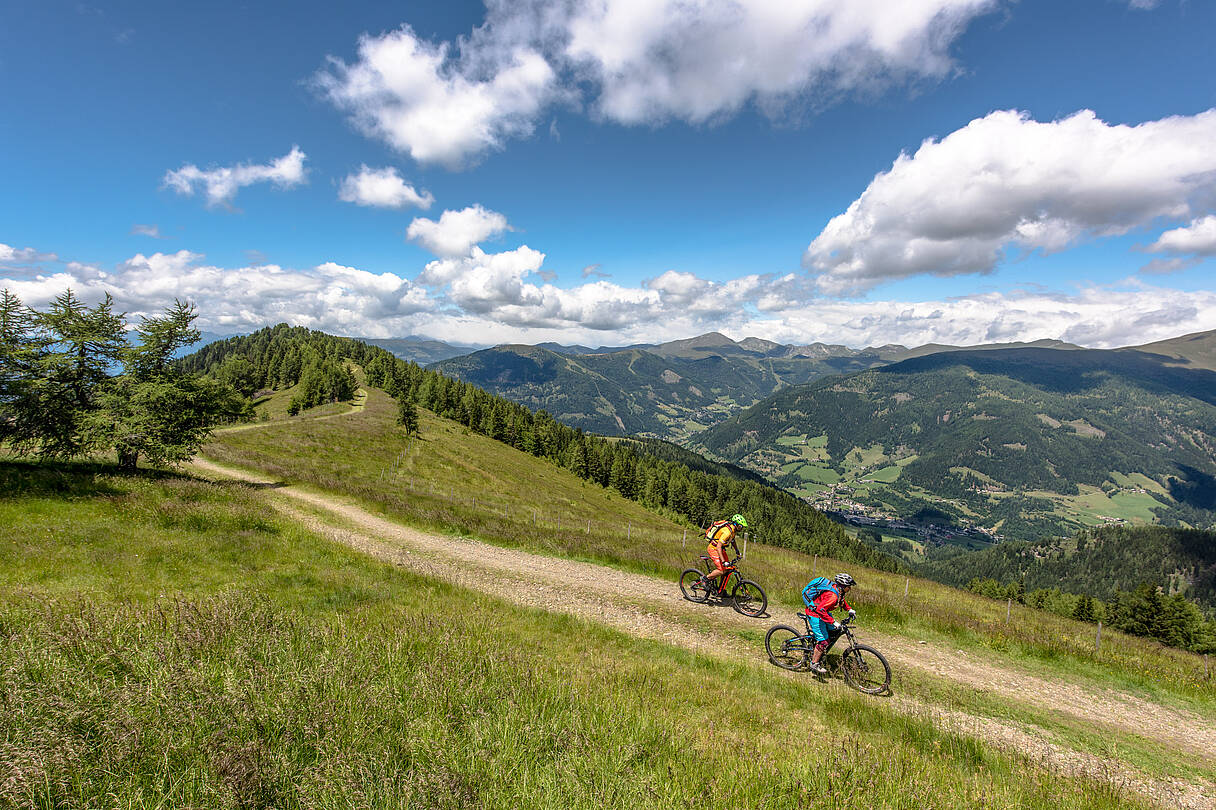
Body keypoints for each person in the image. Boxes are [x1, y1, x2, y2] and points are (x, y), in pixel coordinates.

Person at [804, 573, 856, 675]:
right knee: (824, 641)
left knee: (834, 630)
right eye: (848, 586)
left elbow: (841, 600)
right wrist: (832, 621)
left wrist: (849, 609)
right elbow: (820, 610)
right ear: (843, 586)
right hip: (815, 614)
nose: (850, 588)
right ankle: (814, 663)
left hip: (821, 613)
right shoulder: (832, 596)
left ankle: (817, 647)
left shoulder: (837, 591)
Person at [701, 514, 748, 591]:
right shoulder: (727, 532)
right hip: (714, 548)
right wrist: (723, 562)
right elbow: (718, 546)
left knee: (728, 569)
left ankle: (721, 590)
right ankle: (705, 579)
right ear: (736, 524)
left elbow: (732, 540)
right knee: (721, 570)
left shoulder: (733, 531)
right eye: (741, 526)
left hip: (721, 549)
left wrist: (737, 552)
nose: (742, 528)